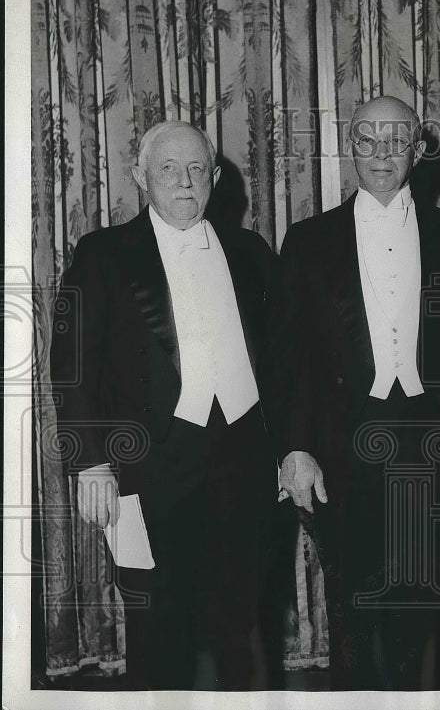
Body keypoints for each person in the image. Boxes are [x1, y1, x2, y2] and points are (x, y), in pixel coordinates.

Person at [50, 120, 278, 690]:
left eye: (197, 169)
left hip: (242, 463)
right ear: (140, 176)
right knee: (157, 627)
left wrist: (286, 448)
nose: (184, 182)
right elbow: (73, 364)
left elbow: (283, 357)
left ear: (216, 178)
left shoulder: (249, 252)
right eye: (168, 169)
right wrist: (92, 462)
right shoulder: (104, 254)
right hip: (149, 468)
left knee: (240, 627)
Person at [269, 95, 440, 690]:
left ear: (418, 147)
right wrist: (295, 449)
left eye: (396, 139)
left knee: (431, 615)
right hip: (343, 451)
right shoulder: (308, 242)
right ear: (349, 148)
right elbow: (289, 360)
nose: (382, 152)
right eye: (367, 138)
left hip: (437, 449)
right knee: (355, 612)